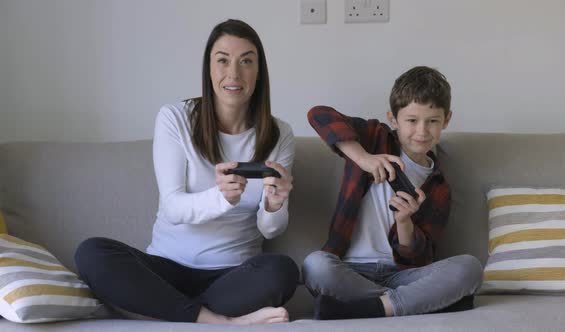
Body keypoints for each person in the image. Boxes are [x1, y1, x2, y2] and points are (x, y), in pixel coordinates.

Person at [75, 19, 298, 325]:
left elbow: (270, 230)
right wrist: (220, 197)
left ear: (259, 73)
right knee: (92, 253)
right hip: (166, 269)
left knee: (283, 271)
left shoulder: (278, 133)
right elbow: (173, 207)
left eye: (246, 61)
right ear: (209, 68)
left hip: (232, 275)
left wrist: (275, 205)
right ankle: (219, 321)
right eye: (223, 61)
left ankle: (165, 310)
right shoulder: (175, 119)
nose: (234, 73)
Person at [302, 66, 483, 320]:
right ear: (393, 119)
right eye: (411, 120)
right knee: (315, 265)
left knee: (470, 267)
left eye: (432, 121)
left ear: (447, 120)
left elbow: (420, 258)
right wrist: (363, 158)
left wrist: (404, 222)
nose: (422, 131)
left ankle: (373, 309)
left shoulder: (439, 187)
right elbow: (318, 115)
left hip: (402, 275)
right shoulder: (374, 137)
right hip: (350, 269)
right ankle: (417, 304)